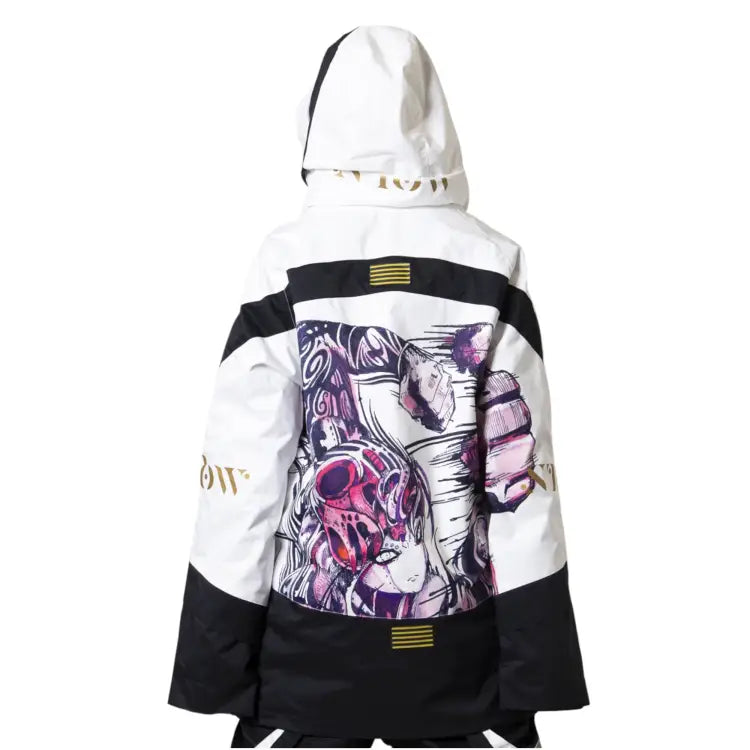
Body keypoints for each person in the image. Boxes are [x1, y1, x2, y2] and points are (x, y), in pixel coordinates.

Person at [168, 25, 588, 748]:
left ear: (319, 125)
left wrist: (217, 661)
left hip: (309, 659)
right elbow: (522, 484)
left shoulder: (288, 262)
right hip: (462, 661)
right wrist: (535, 667)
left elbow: (244, 476)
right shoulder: (492, 262)